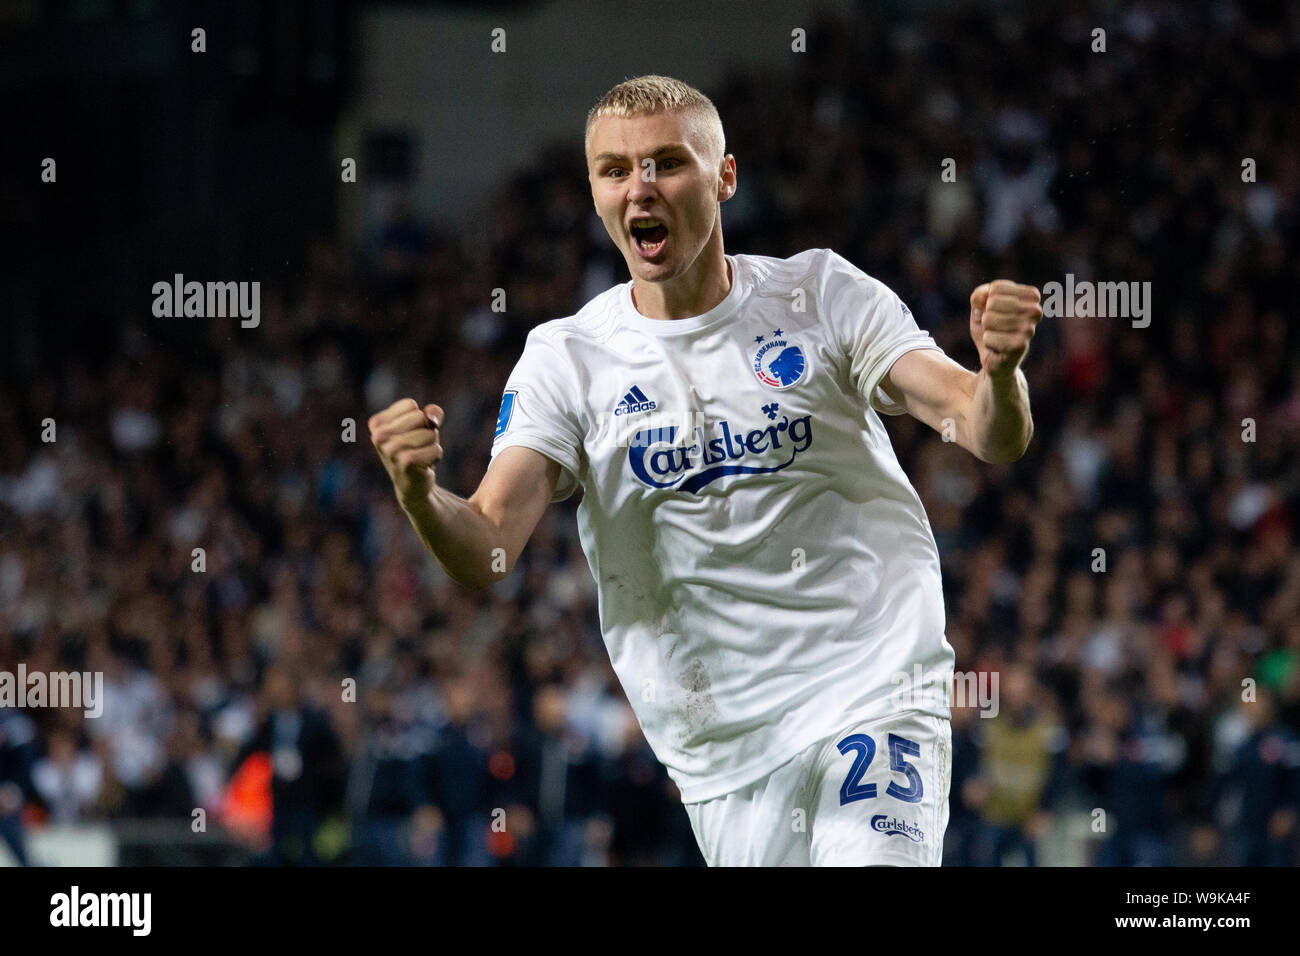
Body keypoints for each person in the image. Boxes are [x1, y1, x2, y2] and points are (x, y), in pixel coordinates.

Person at [369, 75, 1042, 865]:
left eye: (666, 163)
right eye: (615, 171)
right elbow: (487, 548)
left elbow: (988, 433)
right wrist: (419, 495)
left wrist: (998, 374)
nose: (640, 188)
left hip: (872, 687)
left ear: (725, 177)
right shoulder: (568, 361)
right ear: (593, 193)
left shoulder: (819, 294)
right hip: (724, 754)